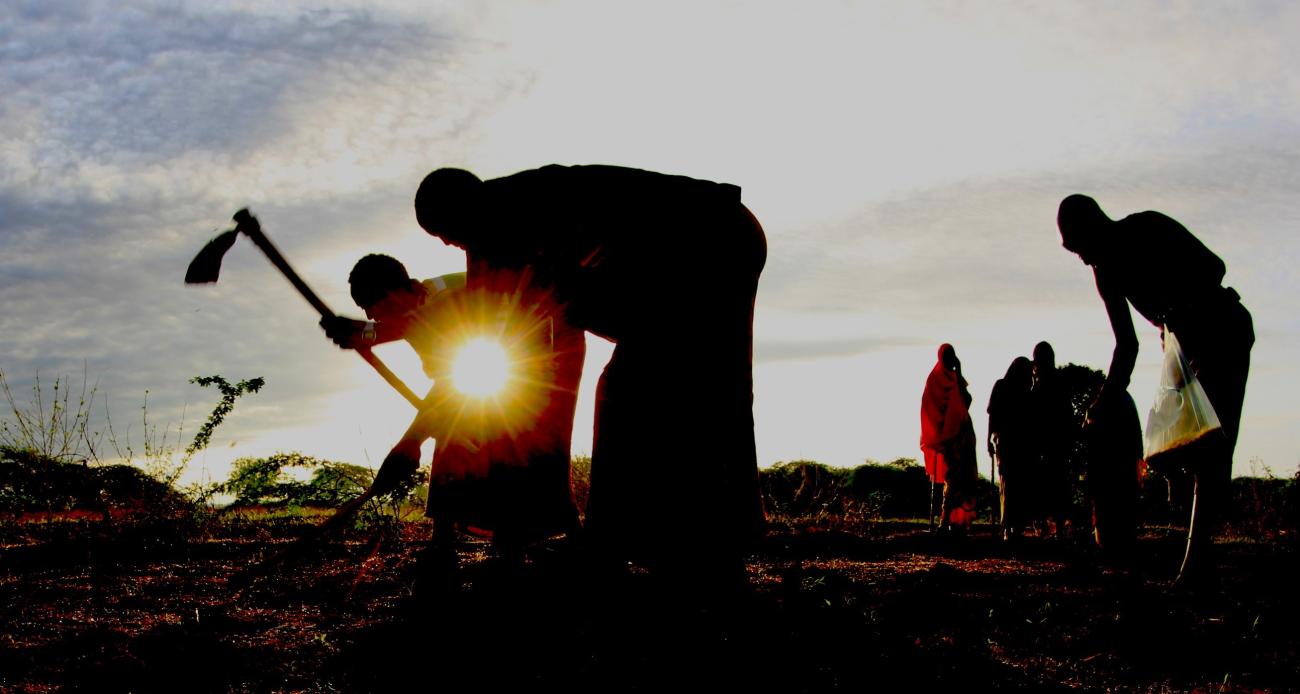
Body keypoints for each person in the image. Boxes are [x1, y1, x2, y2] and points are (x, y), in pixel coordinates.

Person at [411, 164, 767, 589]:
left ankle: (628, 544)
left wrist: (413, 439)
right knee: (693, 386)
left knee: (638, 389)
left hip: (706, 239)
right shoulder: (507, 217)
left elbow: (492, 355)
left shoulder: (505, 218)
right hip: (721, 235)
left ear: (462, 208)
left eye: (444, 231)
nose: (449, 243)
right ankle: (694, 542)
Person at [323, 253, 584, 578]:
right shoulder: (420, 301)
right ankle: (446, 546)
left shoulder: (445, 304)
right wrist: (356, 333)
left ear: (391, 294)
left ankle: (541, 547)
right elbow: (393, 328)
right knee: (458, 434)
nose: (371, 317)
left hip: (545, 351)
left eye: (371, 308)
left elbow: (452, 388)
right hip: (500, 368)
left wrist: (410, 443)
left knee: (525, 449)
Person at [1057, 193, 1253, 581]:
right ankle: (1196, 555)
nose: (1080, 257)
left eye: (1079, 245)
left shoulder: (1147, 227)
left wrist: (1182, 309)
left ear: (1094, 224)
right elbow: (1126, 343)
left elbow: (1215, 266)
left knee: (1211, 448)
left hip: (1224, 331)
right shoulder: (1104, 273)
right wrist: (1103, 401)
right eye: (1072, 251)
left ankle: (1195, 565)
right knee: (1174, 450)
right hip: (1184, 352)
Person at [919, 343, 978, 536]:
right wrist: (937, 434)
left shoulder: (956, 380)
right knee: (953, 478)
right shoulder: (934, 380)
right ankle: (945, 520)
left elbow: (966, 401)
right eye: (947, 356)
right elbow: (929, 408)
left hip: (963, 434)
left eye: (952, 356)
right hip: (948, 438)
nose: (950, 360)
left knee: (964, 478)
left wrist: (959, 373)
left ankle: (957, 522)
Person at [1029, 341, 1074, 539]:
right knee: (1057, 484)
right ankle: (1058, 528)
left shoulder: (1041, 386)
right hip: (1056, 442)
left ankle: (1049, 528)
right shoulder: (1057, 382)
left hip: (1046, 443)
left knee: (1046, 484)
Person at [987, 356, 1034, 541]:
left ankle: (1014, 527)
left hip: (1015, 442)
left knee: (1014, 485)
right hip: (1007, 442)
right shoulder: (1003, 386)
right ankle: (1009, 527)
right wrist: (988, 440)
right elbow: (992, 416)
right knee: (1010, 484)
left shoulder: (1024, 390)